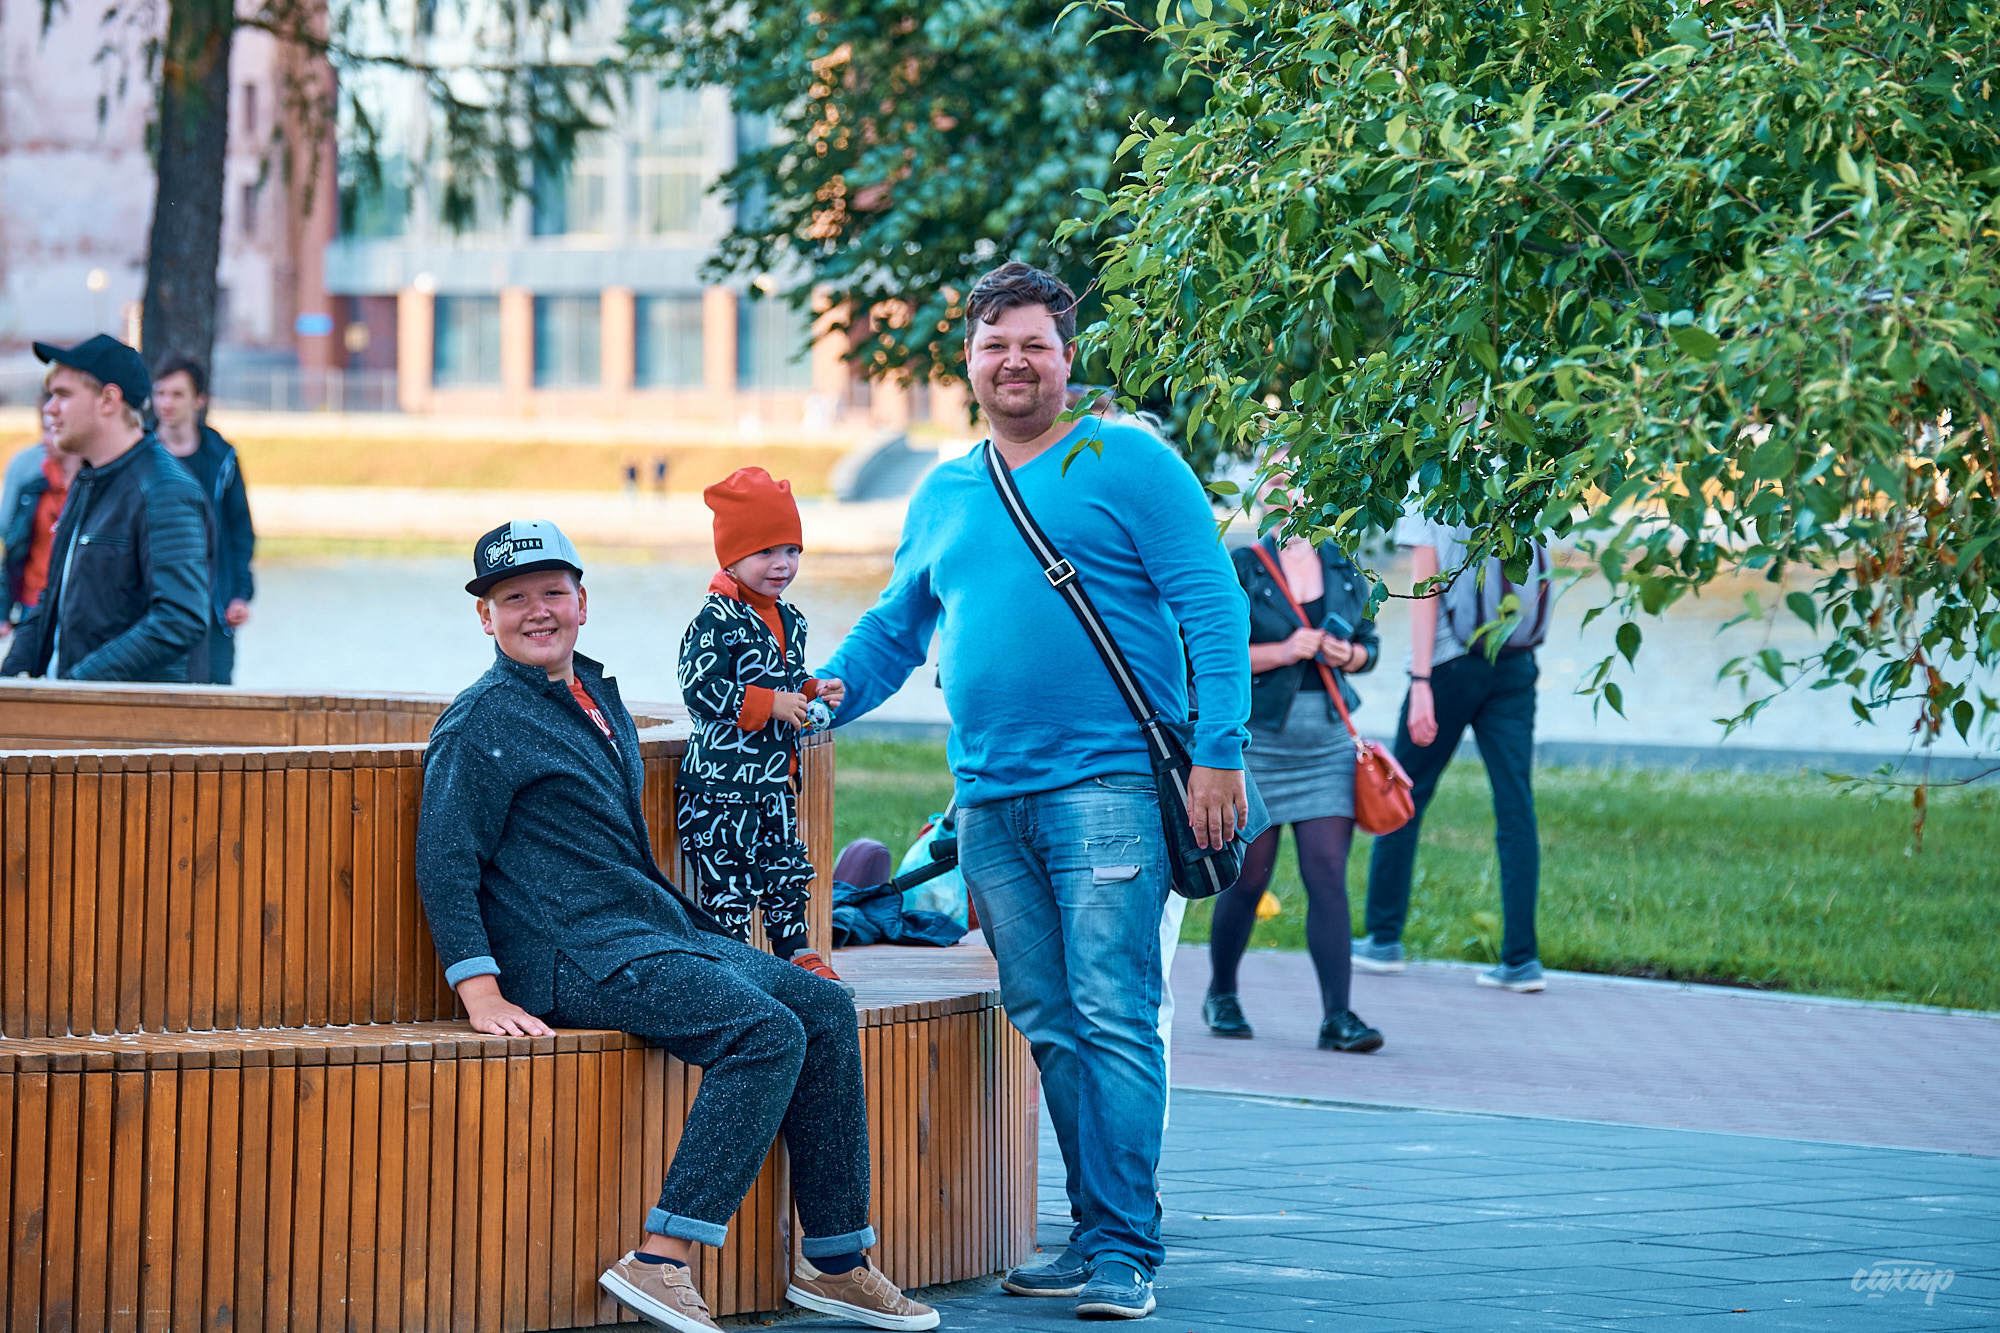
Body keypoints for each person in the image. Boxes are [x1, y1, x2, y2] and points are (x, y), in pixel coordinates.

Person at [819, 262, 1251, 1321]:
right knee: (1050, 1021)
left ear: (1067, 358)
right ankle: (1094, 1232)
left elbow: (1213, 607)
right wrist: (813, 699)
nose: (1013, 363)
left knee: (1113, 1012)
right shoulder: (946, 491)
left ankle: (1126, 1249)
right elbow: (893, 631)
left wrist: (1219, 751)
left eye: (1034, 346)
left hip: (1108, 788)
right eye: (994, 345)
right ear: (967, 360)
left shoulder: (1129, 461)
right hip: (988, 801)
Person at [416, 519, 938, 1333]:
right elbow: (446, 858)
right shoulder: (481, 721)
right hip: (570, 954)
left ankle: (835, 1262)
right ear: (486, 617)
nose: (537, 610)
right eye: (513, 598)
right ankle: (660, 1258)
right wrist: (479, 989)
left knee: (824, 1006)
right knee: (763, 1031)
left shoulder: (594, 697)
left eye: (552, 592)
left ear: (582, 602)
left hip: (645, 932)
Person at [1202, 470, 1386, 1053]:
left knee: (1327, 872)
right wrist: (1282, 651)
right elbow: (1210, 654)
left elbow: (1371, 648)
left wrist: (1347, 654)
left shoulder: (1345, 565)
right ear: (1262, 492)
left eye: (1302, 481)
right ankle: (1222, 992)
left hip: (1327, 742)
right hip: (1257, 743)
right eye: (1280, 480)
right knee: (1249, 875)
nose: (1293, 493)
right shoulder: (1243, 565)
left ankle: (1339, 1017)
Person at [1356, 519, 1550, 992]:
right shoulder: (1528, 478)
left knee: (1404, 795)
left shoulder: (1434, 483)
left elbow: (1426, 585)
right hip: (1514, 661)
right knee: (1516, 807)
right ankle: (1522, 959)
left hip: (1447, 664)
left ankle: (1383, 938)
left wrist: (1420, 682)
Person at [676, 466, 847, 985]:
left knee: (784, 867)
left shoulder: (789, 618)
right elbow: (699, 689)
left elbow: (786, 678)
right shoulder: (715, 620)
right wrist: (768, 704)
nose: (782, 564)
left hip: (775, 782)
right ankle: (733, 965)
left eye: (792, 551)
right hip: (722, 786)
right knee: (729, 876)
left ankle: (795, 951)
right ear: (731, 557)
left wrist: (813, 689)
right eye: (765, 551)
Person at [0, 335, 210, 683]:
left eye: (63, 395)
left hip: (121, 714)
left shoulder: (163, 488)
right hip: (74, 707)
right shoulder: (89, 480)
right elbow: (53, 599)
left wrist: (77, 686)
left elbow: (180, 619)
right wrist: (9, 681)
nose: (49, 408)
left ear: (109, 399)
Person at [153, 355, 257, 684]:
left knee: (216, 703)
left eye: (177, 394)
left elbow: (240, 531)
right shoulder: (142, 455)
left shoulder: (221, 457)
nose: (166, 403)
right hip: (154, 613)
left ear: (199, 400)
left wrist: (239, 594)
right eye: (160, 393)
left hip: (213, 611)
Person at [2, 397, 80, 634]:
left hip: (74, 604)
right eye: (45, 429)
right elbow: (13, 545)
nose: (45, 439)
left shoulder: (90, 487)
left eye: (52, 429)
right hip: (33, 601)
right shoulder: (36, 486)